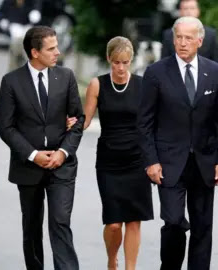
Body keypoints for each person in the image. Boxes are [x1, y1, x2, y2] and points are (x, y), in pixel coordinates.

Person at [138, 16, 218, 270]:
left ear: (199, 41)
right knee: (174, 221)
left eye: (188, 38)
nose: (182, 42)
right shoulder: (156, 72)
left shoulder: (215, 72)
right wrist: (151, 161)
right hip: (168, 162)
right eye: (178, 37)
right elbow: (144, 122)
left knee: (202, 226)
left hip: (204, 161)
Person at [0, 26, 84, 270]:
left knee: (60, 222)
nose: (58, 52)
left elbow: (78, 121)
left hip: (62, 166)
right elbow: (7, 128)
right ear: (35, 52)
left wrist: (62, 152)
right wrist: (34, 155)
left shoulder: (66, 77)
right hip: (28, 167)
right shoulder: (11, 82)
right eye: (51, 48)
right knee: (32, 227)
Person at [76, 36, 154, 270]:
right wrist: (67, 122)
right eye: (116, 62)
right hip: (109, 161)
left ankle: (130, 267)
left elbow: (151, 124)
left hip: (137, 160)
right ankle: (112, 259)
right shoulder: (97, 85)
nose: (121, 68)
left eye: (125, 62)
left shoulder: (142, 85)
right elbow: (86, 120)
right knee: (113, 224)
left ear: (131, 61)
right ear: (109, 59)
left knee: (133, 221)